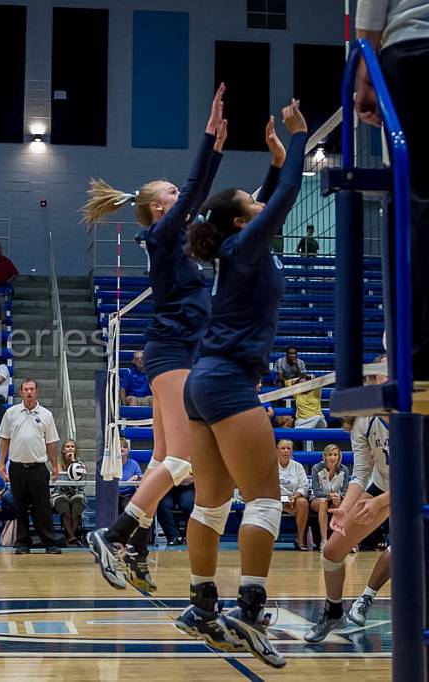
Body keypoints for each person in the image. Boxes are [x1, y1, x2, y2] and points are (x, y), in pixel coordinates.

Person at [169, 100, 307, 667]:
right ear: (240, 222)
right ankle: (249, 612)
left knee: (212, 504)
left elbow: (263, 204)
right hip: (226, 382)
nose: (260, 201)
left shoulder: (240, 245)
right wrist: (296, 142)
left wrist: (272, 165)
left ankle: (201, 605)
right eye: (252, 202)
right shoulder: (246, 247)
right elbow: (284, 201)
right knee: (267, 498)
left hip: (204, 382)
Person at [82, 87, 228, 593]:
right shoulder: (163, 236)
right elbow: (194, 190)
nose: (180, 199)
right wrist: (210, 139)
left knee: (168, 461)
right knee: (183, 460)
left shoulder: (178, 238)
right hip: (172, 352)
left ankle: (139, 551)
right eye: (171, 193)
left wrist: (218, 149)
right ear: (158, 207)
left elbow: (199, 197)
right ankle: (115, 534)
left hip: (177, 351)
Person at [355, 0, 429, 379]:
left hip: (412, 47)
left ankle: (415, 349)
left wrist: (364, 73)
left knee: (413, 200)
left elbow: (369, 18)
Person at [304, 404, 391, 642]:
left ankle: (366, 597)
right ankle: (333, 611)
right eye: (372, 377)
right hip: (383, 487)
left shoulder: (416, 414)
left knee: (403, 549)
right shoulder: (363, 420)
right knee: (332, 552)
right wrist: (344, 508)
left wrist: (380, 503)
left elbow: (417, 476)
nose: (377, 382)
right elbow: (361, 472)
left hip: (418, 491)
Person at [0, 378, 61, 554]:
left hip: (39, 467)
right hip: (16, 467)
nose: (29, 392)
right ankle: (23, 543)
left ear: (37, 391)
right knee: (20, 506)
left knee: (42, 507)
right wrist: (1, 463)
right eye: (26, 389)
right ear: (21, 392)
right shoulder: (11, 413)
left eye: (32, 389)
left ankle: (50, 543)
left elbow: (51, 443)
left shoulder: (46, 414)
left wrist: (55, 465)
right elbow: (4, 440)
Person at [309, 444, 349, 550]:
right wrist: (329, 496)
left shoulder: (344, 469)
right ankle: (324, 541)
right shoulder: (316, 468)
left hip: (336, 498)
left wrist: (339, 496)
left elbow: (345, 491)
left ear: (339, 456)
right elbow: (317, 491)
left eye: (335, 455)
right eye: (330, 455)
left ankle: (344, 541)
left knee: (341, 503)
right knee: (323, 503)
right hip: (318, 500)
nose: (332, 457)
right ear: (325, 456)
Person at [52, 440, 89, 547]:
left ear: (75, 449)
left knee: (77, 505)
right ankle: (71, 536)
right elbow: (61, 481)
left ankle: (70, 537)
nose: (70, 448)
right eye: (67, 446)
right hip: (60, 492)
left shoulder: (80, 463)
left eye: (72, 446)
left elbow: (80, 478)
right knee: (64, 506)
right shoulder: (58, 463)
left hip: (76, 491)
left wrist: (73, 462)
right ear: (63, 450)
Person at [276, 439, 310, 550]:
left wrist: (296, 495)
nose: (286, 451)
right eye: (283, 448)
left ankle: (300, 538)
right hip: (274, 500)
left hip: (292, 500)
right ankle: (265, 539)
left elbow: (304, 486)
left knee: (303, 502)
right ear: (277, 451)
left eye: (288, 448)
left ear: (292, 451)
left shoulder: (298, 466)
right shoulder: (270, 465)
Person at [157, 474, 196, 547]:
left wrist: (191, 477)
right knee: (162, 505)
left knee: (189, 504)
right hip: (167, 487)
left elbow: (198, 473)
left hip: (186, 485)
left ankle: (190, 536)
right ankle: (173, 536)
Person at [119, 438, 143, 510]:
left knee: (128, 508)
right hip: (114, 495)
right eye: (120, 447)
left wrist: (136, 477)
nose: (122, 449)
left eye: (124, 447)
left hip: (128, 495)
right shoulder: (111, 464)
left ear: (128, 450)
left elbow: (139, 476)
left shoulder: (134, 463)